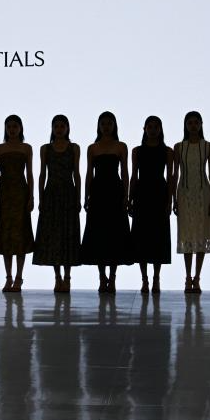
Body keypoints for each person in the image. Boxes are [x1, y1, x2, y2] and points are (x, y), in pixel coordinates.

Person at [80, 110, 132, 294]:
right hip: (98, 192)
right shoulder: (92, 148)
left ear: (114, 125)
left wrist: (126, 195)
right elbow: (89, 173)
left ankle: (113, 277)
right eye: (103, 123)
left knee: (115, 234)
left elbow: (125, 172)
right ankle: (102, 277)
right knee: (99, 234)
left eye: (109, 123)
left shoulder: (121, 146)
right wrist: (86, 195)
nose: (106, 126)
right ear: (99, 126)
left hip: (115, 192)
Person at [33, 114, 82, 292]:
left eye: (62, 126)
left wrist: (78, 198)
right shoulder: (45, 148)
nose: (59, 129)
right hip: (51, 194)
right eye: (56, 126)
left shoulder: (74, 147)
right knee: (53, 236)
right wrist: (40, 198)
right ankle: (57, 277)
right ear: (52, 129)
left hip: (68, 193)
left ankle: (67, 277)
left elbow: (77, 174)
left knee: (68, 235)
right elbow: (42, 175)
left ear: (67, 128)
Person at [0, 114, 34, 292]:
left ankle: (19, 278)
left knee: (20, 234)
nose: (12, 129)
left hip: (21, 192)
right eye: (9, 127)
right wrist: (5, 179)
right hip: (5, 194)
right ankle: (8, 278)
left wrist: (31, 197)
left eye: (15, 126)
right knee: (6, 234)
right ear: (5, 129)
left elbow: (30, 174)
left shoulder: (26, 148)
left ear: (20, 128)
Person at [129, 116, 173, 295]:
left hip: (160, 194)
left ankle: (156, 278)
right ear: (144, 129)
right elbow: (134, 175)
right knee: (141, 237)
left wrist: (170, 200)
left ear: (160, 129)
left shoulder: (167, 151)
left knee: (158, 237)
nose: (153, 130)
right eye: (150, 127)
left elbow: (170, 177)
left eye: (156, 127)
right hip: (142, 194)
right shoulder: (137, 151)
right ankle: (144, 279)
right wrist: (130, 198)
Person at [174, 111, 210, 293]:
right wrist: (174, 199)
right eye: (189, 122)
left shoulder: (208, 147)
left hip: (202, 193)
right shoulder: (179, 147)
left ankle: (197, 277)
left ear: (201, 124)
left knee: (201, 234)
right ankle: (187, 277)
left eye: (196, 122)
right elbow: (175, 174)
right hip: (184, 193)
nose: (193, 126)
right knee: (187, 235)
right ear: (185, 125)